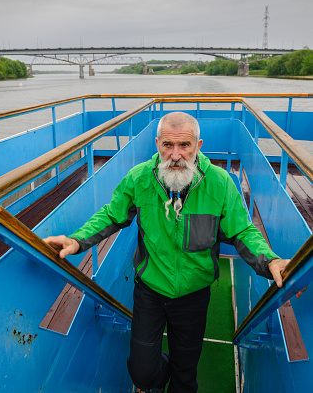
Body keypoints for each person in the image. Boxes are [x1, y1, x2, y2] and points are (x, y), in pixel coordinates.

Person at [44, 112, 289, 393]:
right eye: (168, 146)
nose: (175, 155)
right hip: (150, 290)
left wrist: (270, 260)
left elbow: (243, 231)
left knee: (185, 376)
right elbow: (112, 215)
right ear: (157, 143)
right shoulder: (139, 179)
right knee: (142, 371)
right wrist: (77, 241)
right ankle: (155, 382)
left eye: (184, 145)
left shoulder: (219, 183)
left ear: (198, 145)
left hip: (193, 295)